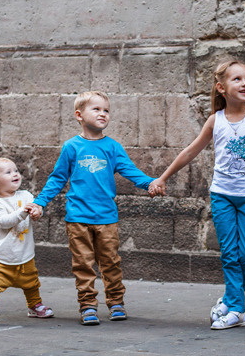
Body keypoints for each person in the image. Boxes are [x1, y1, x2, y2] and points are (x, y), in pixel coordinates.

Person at [148, 59, 245, 330]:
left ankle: (229, 299)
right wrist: (162, 177)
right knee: (229, 253)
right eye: (237, 79)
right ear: (221, 87)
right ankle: (237, 311)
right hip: (222, 195)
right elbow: (190, 151)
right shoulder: (216, 120)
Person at [33, 91, 156, 326]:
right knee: (83, 265)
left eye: (106, 110)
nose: (103, 114)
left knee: (111, 262)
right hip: (77, 218)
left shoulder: (113, 147)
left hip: (107, 217)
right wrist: (40, 202)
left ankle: (116, 302)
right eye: (96, 109)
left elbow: (131, 171)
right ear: (79, 115)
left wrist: (150, 183)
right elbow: (57, 178)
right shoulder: (71, 147)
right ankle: (88, 305)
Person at [0, 157, 53, 327]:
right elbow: (3, 222)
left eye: (16, 171)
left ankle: (34, 305)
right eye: (8, 172)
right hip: (1, 255)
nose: (15, 174)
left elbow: (35, 209)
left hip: (24, 253)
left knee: (31, 282)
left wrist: (37, 212)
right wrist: (22, 212)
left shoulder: (26, 195)